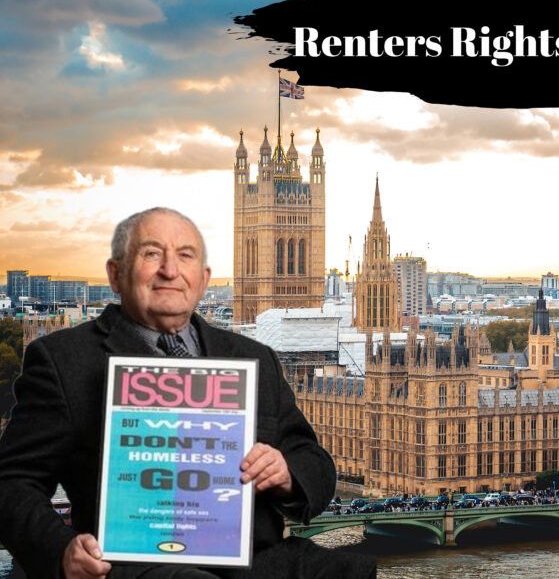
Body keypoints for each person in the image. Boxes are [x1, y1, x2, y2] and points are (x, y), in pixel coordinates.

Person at [0, 208, 375, 579]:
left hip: (256, 565)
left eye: (185, 256)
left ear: (204, 278)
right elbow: (12, 482)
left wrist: (287, 473)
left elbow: (315, 464)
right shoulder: (64, 360)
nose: (170, 270)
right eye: (151, 254)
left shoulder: (253, 357)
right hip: (132, 567)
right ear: (115, 275)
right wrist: (61, 551)